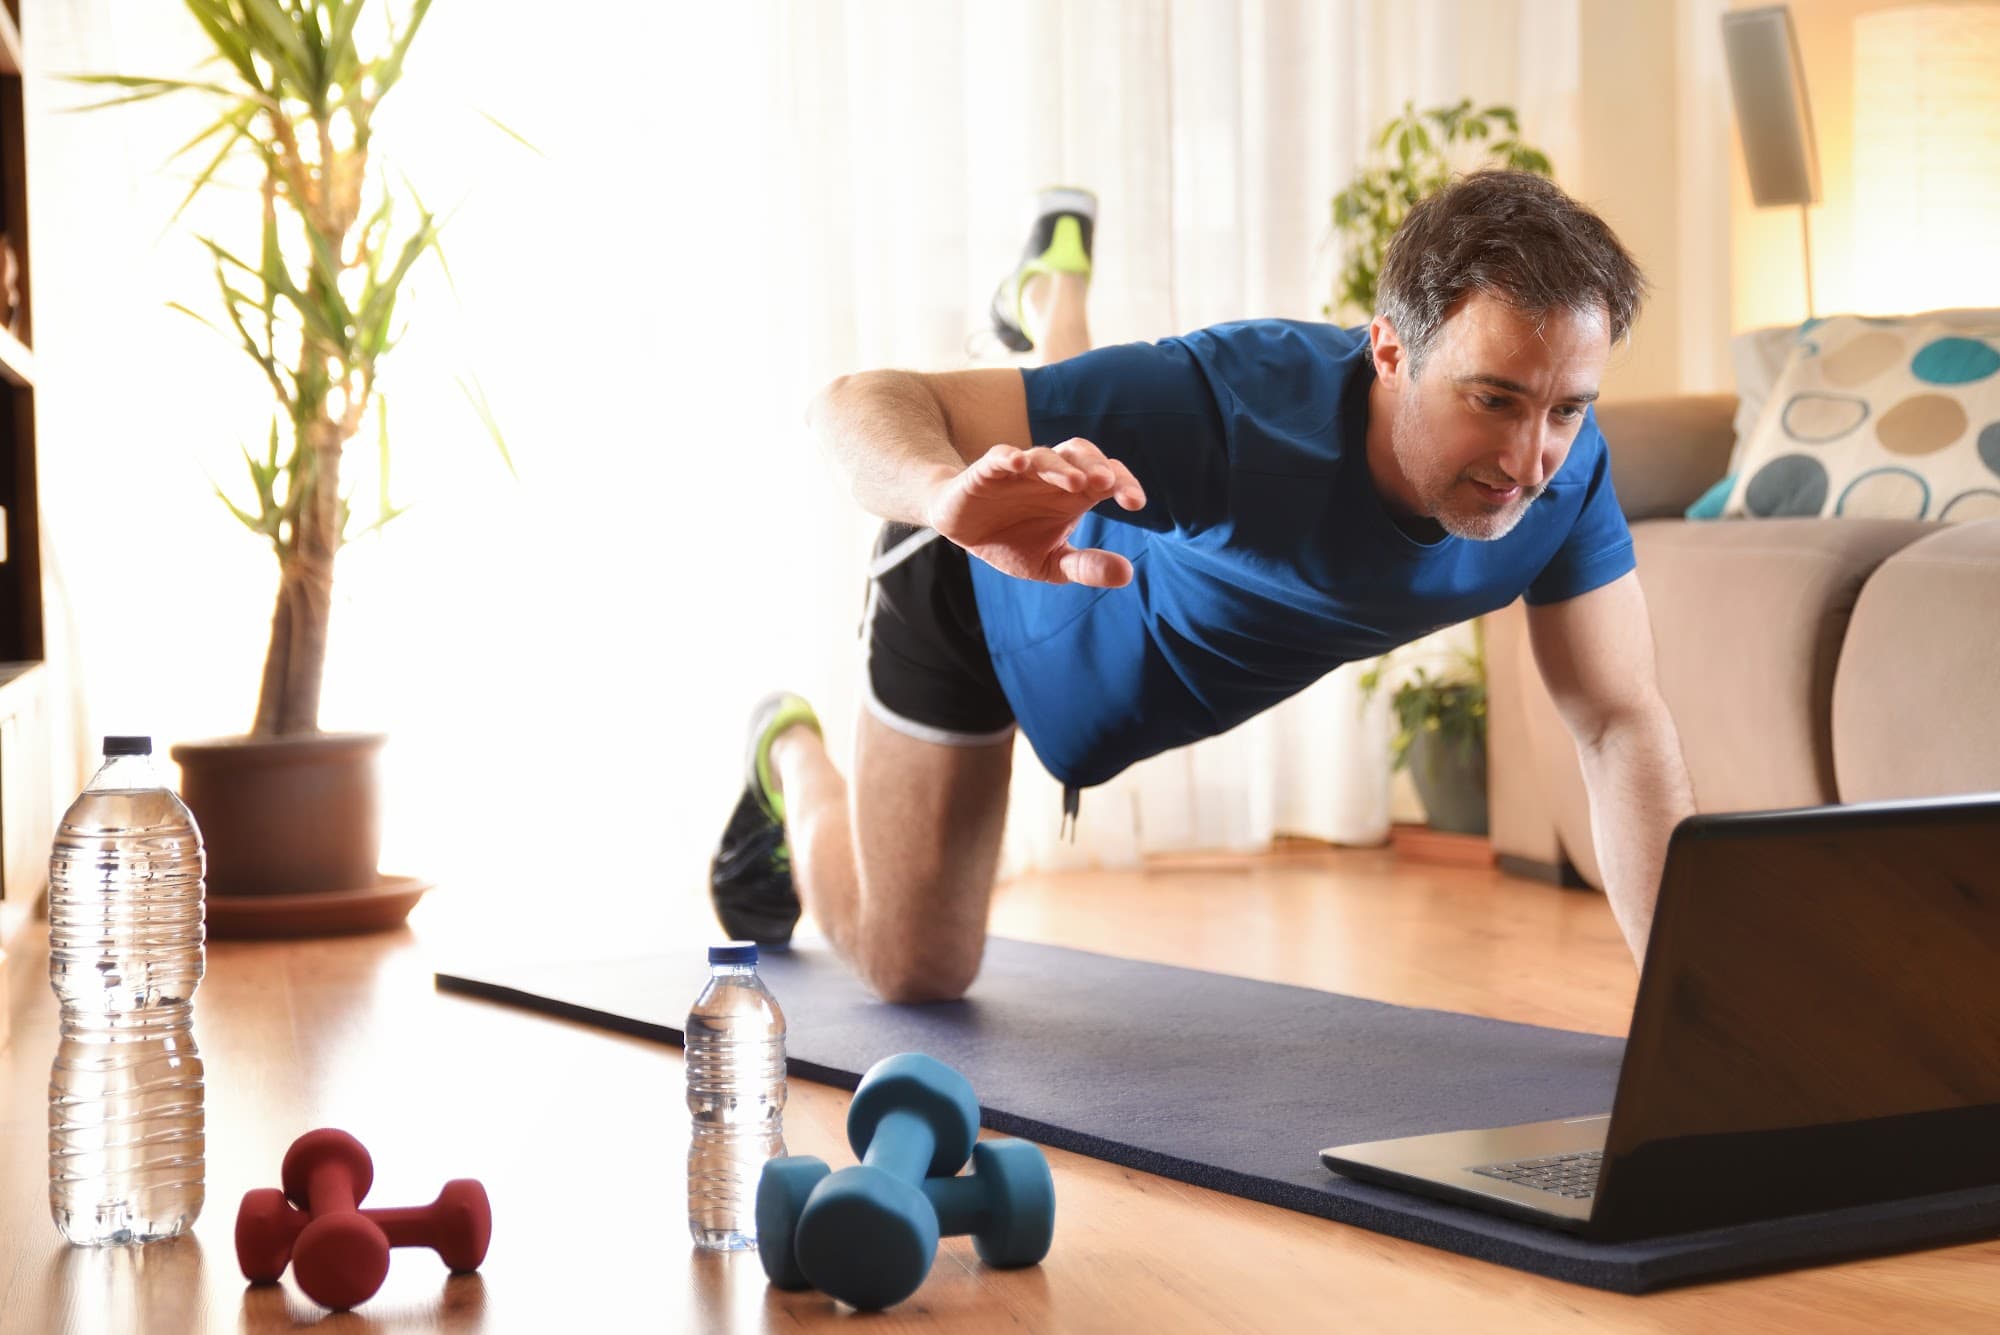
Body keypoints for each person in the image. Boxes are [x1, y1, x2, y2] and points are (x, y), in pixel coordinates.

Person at [710, 172, 1697, 1002]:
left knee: (1094, 423)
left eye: (1566, 408)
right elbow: (851, 403)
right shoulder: (1234, 402)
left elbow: (1617, 724)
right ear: (1387, 350)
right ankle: (787, 755)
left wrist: (1693, 1013)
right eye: (1493, 400)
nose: (1530, 458)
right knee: (913, 967)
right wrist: (938, 493)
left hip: (1101, 538)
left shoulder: (1564, 478)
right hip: (981, 572)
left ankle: (1046, 299)